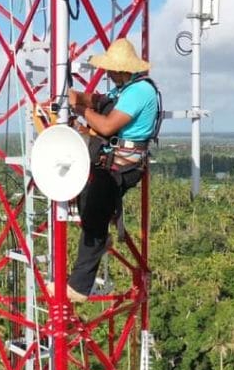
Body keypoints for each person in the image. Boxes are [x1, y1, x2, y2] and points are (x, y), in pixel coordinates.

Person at [63, 38, 161, 301]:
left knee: (94, 217)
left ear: (122, 70)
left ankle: (78, 287)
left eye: (110, 70)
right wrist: (76, 97)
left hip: (122, 165)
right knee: (84, 198)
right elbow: (97, 99)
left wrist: (80, 108)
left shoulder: (140, 91)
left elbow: (106, 126)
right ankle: (102, 241)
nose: (107, 74)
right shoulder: (123, 89)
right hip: (110, 160)